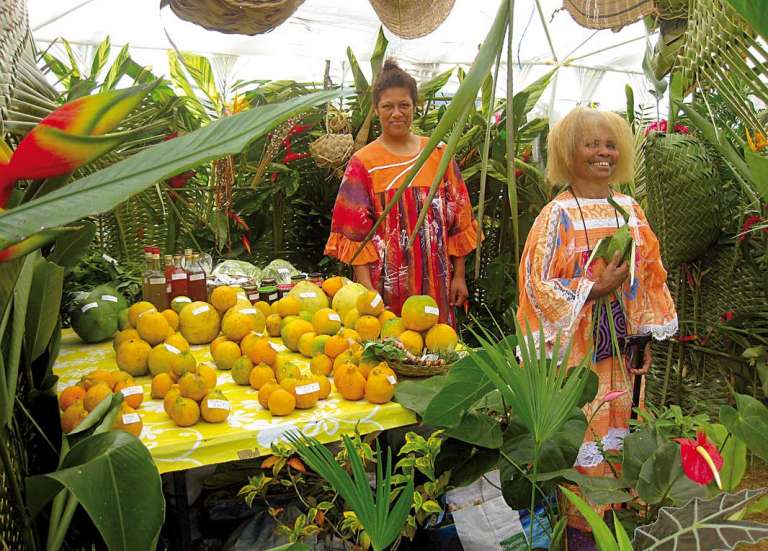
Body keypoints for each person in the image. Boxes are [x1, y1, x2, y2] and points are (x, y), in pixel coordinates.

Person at [516, 108, 677, 540]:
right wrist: (593, 288)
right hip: (577, 362)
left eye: (610, 144)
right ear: (569, 153)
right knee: (580, 452)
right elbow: (537, 286)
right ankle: (582, 537)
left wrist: (645, 329)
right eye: (592, 144)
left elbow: (649, 273)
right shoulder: (557, 215)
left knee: (620, 448)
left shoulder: (630, 209)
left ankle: (615, 534)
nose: (603, 153)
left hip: (621, 356)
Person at [324, 60, 479, 326]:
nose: (397, 113)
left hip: (437, 287)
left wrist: (459, 275)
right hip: (385, 291)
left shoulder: (437, 154)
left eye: (404, 105)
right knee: (389, 356)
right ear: (376, 109)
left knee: (439, 353)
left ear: (414, 107)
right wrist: (365, 290)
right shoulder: (364, 163)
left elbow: (460, 218)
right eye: (388, 106)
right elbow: (354, 235)